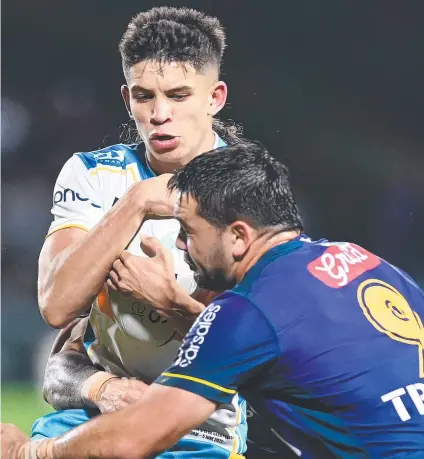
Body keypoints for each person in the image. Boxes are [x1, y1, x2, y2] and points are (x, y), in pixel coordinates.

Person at [3, 141, 424, 458]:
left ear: (239, 236)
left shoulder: (249, 309)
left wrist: (30, 453)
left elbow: (136, 437)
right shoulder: (361, 260)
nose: (183, 245)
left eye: (189, 230)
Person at [31, 6, 249, 459]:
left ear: (215, 97)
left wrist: (169, 302)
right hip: (98, 411)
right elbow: (57, 304)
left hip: (200, 423)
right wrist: (137, 202)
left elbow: (257, 345)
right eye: (145, 96)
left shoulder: (250, 191)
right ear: (127, 98)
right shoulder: (92, 173)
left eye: (179, 95)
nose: (160, 114)